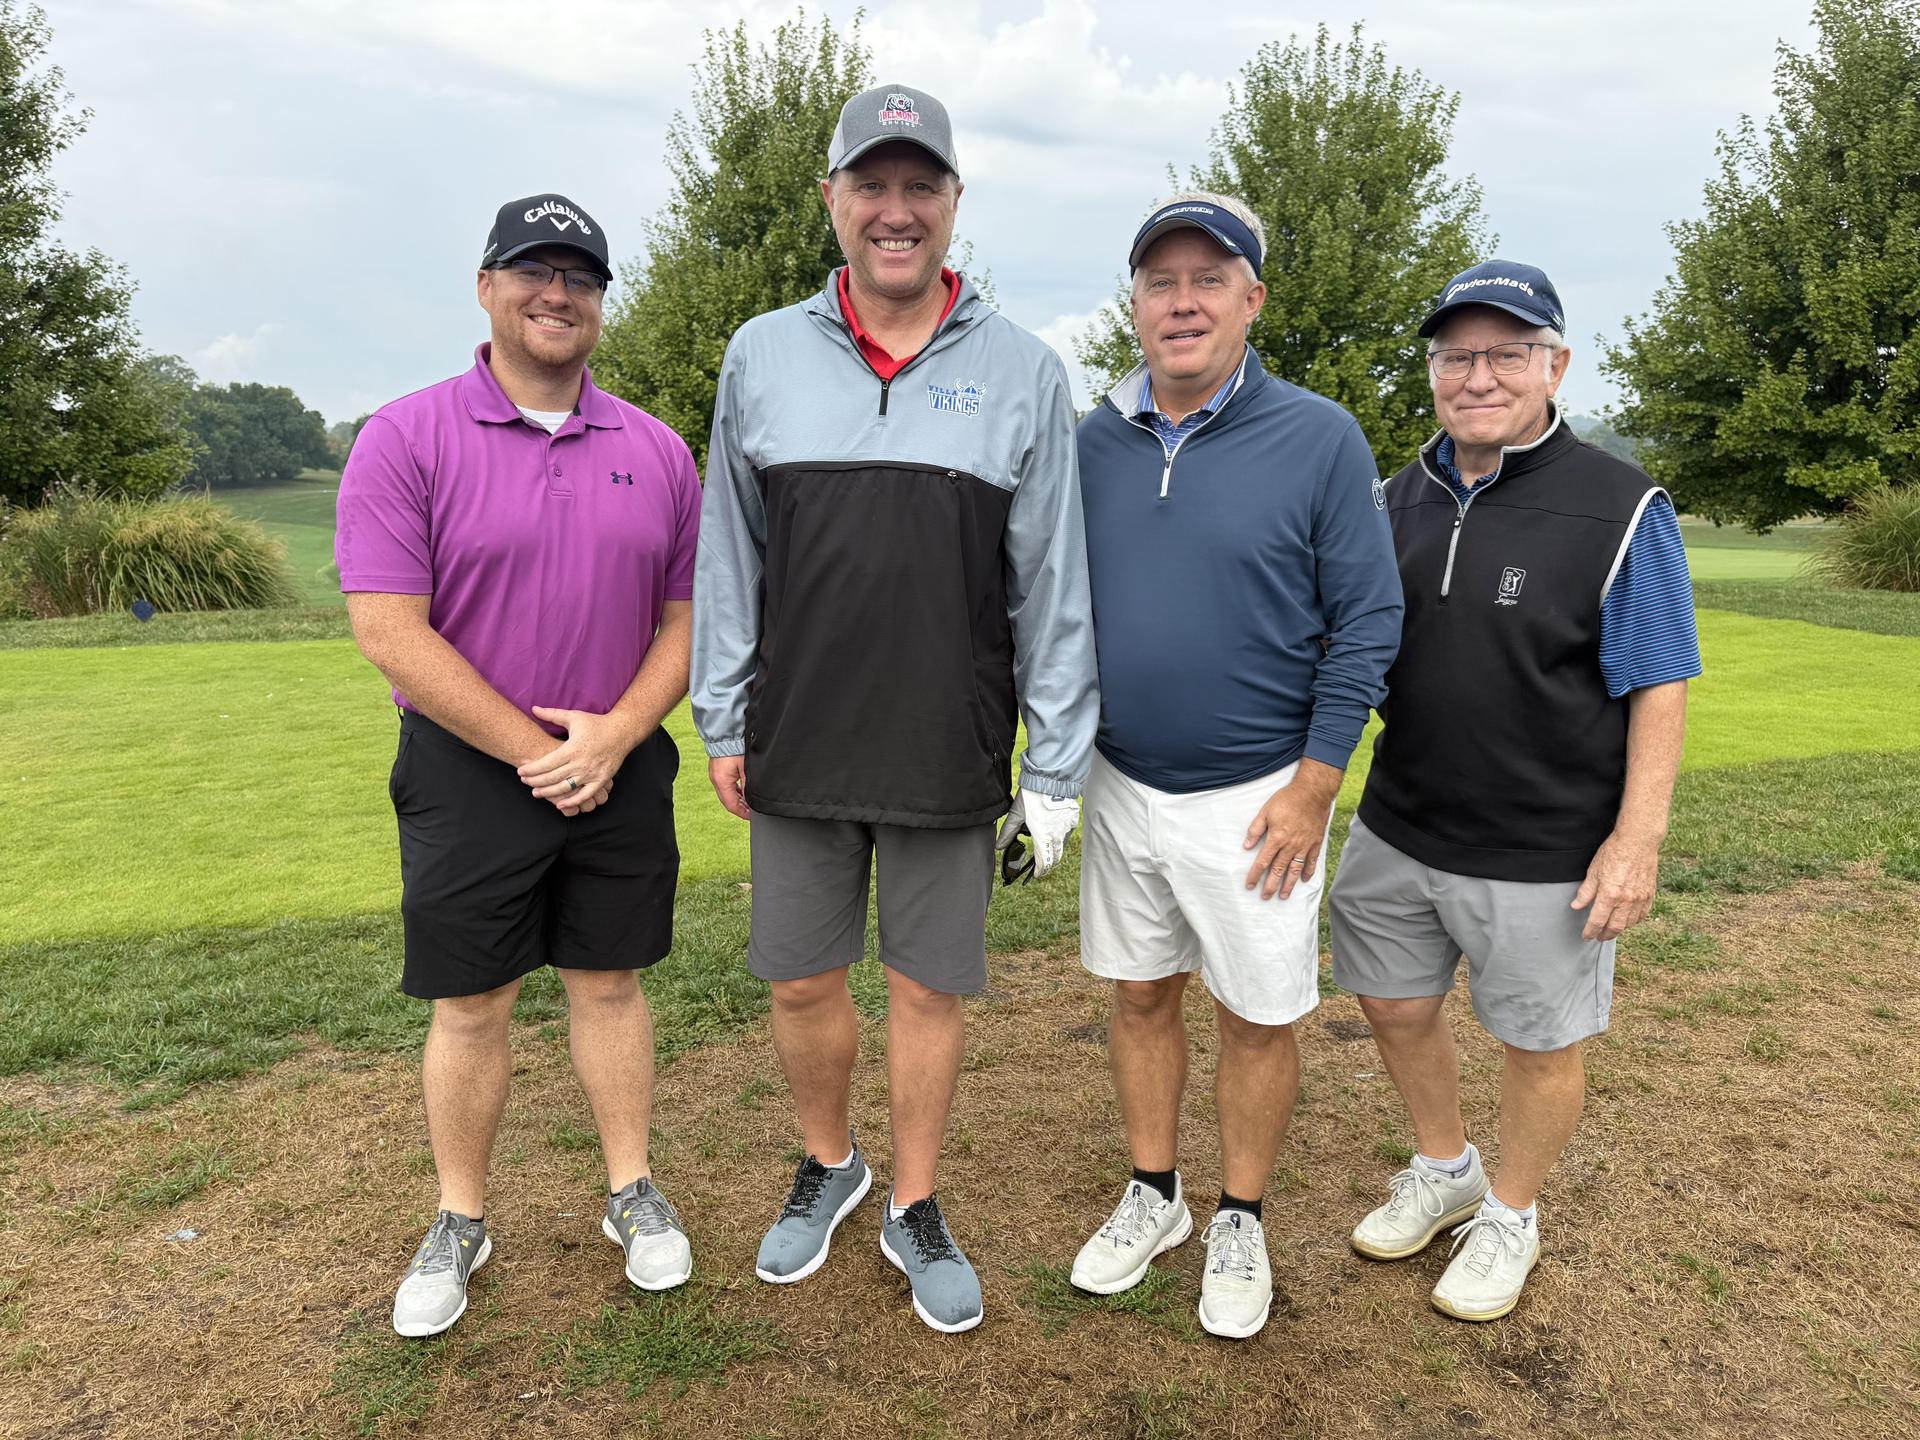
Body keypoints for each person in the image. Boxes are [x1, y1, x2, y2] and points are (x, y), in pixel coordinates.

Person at [690, 84, 1097, 1334]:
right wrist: (722, 715)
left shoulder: (1026, 369)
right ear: (833, 201)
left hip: (949, 735)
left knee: (928, 989)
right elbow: (731, 554)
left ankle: (914, 1200)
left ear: (954, 205)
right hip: (799, 734)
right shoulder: (762, 350)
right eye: (873, 185)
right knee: (805, 983)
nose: (896, 210)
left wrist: (1057, 763)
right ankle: (832, 1160)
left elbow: (1052, 582)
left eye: (921, 186)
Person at [336, 194, 703, 1338]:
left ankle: (631, 1190)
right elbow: (390, 627)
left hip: (620, 764)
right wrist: (543, 752)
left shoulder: (654, 447)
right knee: (471, 1002)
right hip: (466, 771)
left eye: (580, 278)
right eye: (534, 272)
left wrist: (614, 737)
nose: (558, 294)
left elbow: (688, 619)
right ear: (488, 287)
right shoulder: (408, 435)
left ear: (600, 302)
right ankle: (460, 1217)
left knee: (609, 982)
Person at [1329, 260, 1699, 1322]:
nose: (1478, 375)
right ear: (1435, 371)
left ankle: (1512, 1214)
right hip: (1401, 825)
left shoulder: (1620, 507)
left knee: (1540, 1045)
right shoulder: (1392, 498)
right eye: (1457, 355)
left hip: (1547, 844)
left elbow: (1659, 685)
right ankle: (1446, 1168)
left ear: (1555, 366)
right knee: (1393, 1005)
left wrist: (1638, 841)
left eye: (1505, 354)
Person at [1068, 194, 1403, 1339]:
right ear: (1136, 303)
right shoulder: (1092, 438)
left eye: (1210, 279)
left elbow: (1367, 620)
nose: (1183, 301)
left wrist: (1317, 784)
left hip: (1261, 792)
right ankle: (1156, 1195)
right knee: (1140, 991)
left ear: (1253, 299)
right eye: (1161, 281)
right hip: (1120, 781)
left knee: (1257, 1016)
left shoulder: (1318, 435)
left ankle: (1241, 1215)